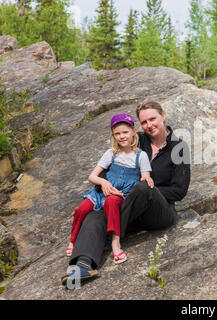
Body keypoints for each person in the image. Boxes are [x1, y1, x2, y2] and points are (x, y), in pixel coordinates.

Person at [61, 100, 190, 287]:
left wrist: (140, 191)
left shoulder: (179, 147)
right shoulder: (135, 140)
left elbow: (179, 191)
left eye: (153, 119)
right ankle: (82, 265)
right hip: (129, 210)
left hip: (158, 212)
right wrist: (105, 186)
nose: (149, 125)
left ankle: (110, 233)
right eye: (144, 122)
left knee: (144, 187)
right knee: (97, 214)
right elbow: (108, 171)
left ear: (163, 116)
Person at [66, 113, 153, 265]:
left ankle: (115, 241)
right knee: (81, 210)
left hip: (121, 194)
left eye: (125, 132)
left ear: (133, 131)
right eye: (117, 133)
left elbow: (145, 176)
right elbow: (92, 176)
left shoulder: (141, 156)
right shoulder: (111, 153)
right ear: (113, 135)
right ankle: (73, 240)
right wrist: (103, 183)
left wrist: (148, 178)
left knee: (112, 202)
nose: (122, 136)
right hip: (101, 193)